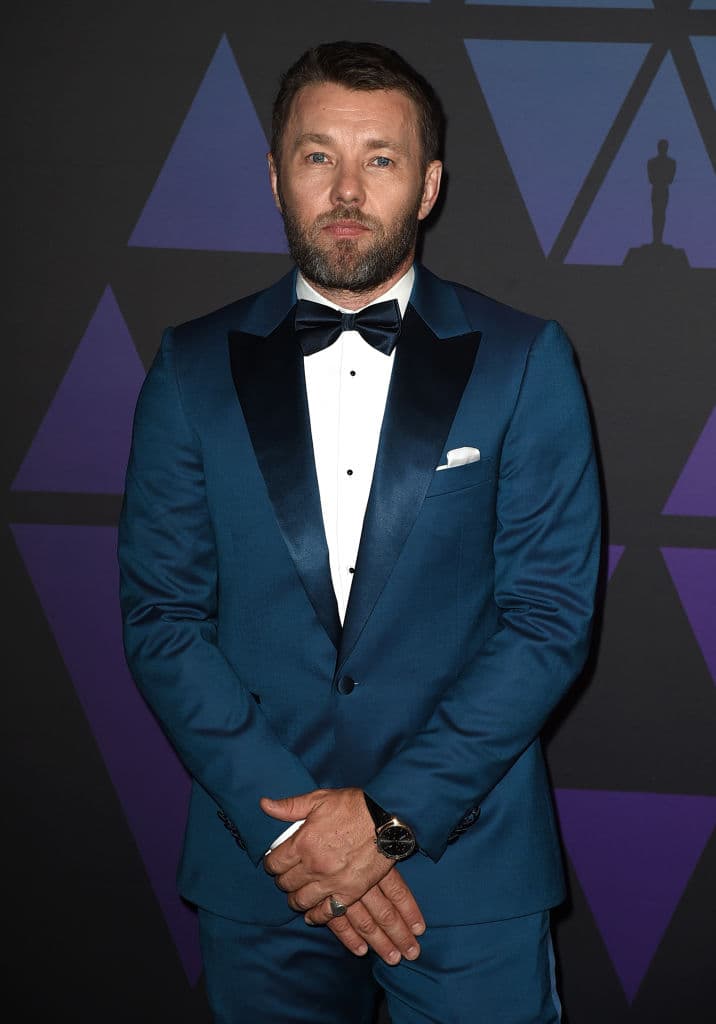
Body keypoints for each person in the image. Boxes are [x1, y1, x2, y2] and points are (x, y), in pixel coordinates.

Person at [118, 40, 601, 1024]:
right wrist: (299, 838)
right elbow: (162, 618)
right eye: (315, 156)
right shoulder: (189, 365)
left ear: (426, 186)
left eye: (378, 158)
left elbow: (547, 619)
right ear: (273, 175)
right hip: (265, 869)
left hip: (467, 869)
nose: (346, 189)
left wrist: (385, 820)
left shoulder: (522, 359)